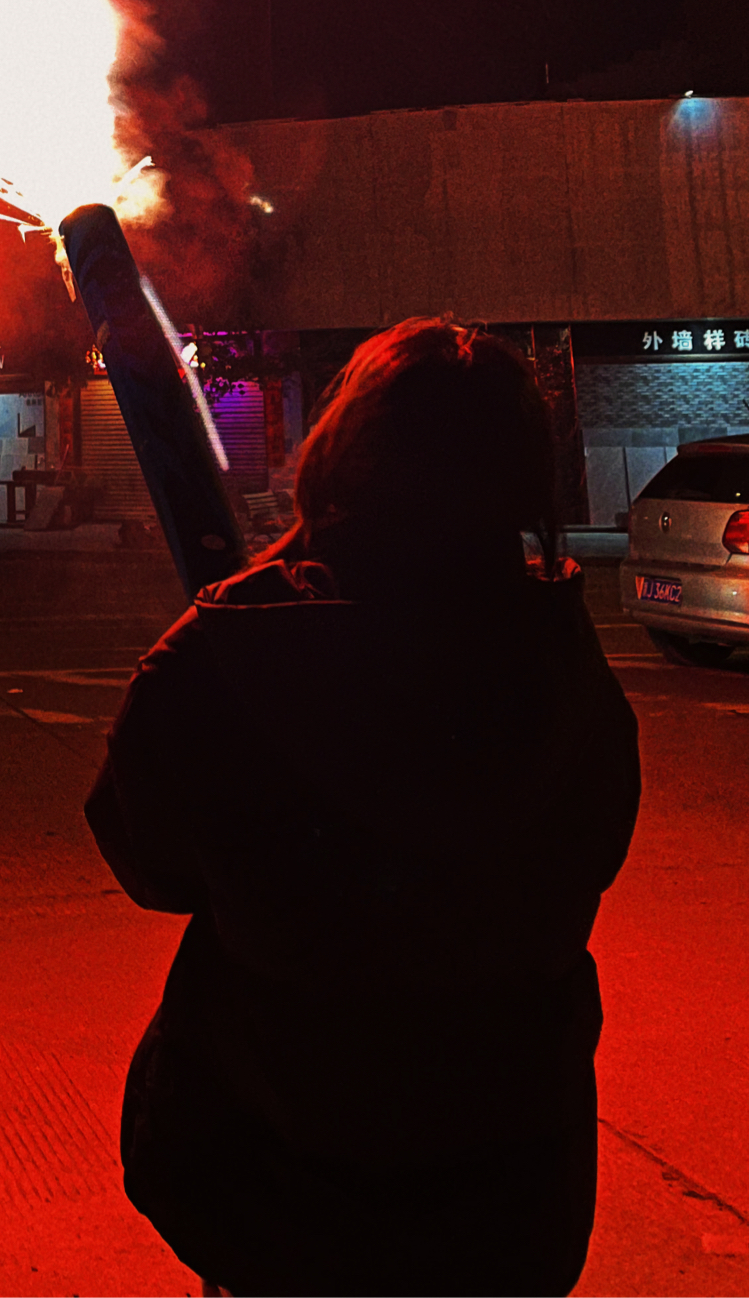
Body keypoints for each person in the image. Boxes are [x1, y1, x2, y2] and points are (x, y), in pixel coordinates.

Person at [84, 318, 641, 1297]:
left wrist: (218, 624)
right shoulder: (561, 661)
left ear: (342, 450)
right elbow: (593, 846)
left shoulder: (232, 657)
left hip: (274, 1181)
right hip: (506, 1196)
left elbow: (145, 856)